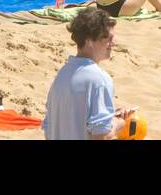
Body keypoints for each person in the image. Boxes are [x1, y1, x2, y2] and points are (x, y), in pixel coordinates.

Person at [43, 8, 133, 140]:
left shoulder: (63, 73)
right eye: (108, 38)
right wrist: (119, 123)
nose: (112, 44)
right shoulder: (99, 79)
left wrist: (110, 115)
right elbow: (102, 136)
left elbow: (56, 123)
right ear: (89, 40)